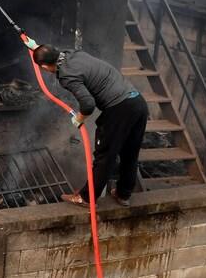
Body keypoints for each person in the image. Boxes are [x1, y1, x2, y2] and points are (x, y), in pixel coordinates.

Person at [31, 44, 148, 207]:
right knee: (130, 153)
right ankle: (123, 194)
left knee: (105, 156)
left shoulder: (66, 75)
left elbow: (87, 104)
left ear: (43, 67)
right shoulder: (73, 53)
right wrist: (35, 46)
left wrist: (79, 118)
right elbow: (52, 53)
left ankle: (86, 198)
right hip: (138, 103)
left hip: (119, 109)